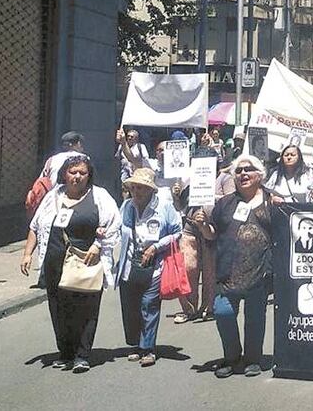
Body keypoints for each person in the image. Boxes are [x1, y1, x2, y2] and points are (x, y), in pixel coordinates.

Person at [20, 155, 121, 373]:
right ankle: (65, 352)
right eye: (73, 172)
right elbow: (35, 226)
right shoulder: (52, 197)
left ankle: (82, 355)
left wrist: (98, 245)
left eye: (82, 173)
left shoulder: (99, 196)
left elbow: (114, 224)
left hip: (87, 262)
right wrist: (28, 253)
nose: (77, 176)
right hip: (54, 262)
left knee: (86, 309)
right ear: (64, 174)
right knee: (59, 310)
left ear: (89, 175)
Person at [208, 154, 274, 378]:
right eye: (238, 170)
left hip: (260, 271)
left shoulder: (273, 200)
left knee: (255, 317)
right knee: (223, 312)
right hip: (228, 272)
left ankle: (253, 359)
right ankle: (232, 356)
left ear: (260, 175)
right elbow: (212, 234)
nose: (243, 174)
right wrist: (201, 226)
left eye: (249, 169)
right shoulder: (225, 203)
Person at [116, 168, 182, 367]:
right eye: (134, 187)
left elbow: (177, 232)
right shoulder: (127, 206)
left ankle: (148, 348)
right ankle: (135, 344)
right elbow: (117, 229)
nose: (137, 191)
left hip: (155, 265)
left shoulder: (165, 207)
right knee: (131, 306)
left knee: (148, 305)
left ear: (151, 190)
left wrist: (156, 247)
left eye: (142, 188)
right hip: (129, 264)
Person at [171, 174, 217, 324]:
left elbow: (229, 199)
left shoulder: (224, 178)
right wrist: (176, 195)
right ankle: (189, 309)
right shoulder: (191, 182)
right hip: (190, 228)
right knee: (187, 268)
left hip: (211, 229)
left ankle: (208, 308)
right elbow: (179, 206)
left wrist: (211, 196)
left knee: (210, 271)